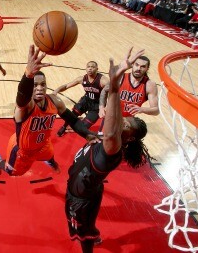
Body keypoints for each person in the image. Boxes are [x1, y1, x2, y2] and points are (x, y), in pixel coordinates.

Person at [65, 48, 151, 253]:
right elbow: (82, 129)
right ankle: (93, 232)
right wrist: (62, 110)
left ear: (128, 137)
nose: (123, 120)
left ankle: (90, 241)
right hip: (91, 190)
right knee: (89, 225)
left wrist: (115, 83)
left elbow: (113, 123)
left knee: (83, 234)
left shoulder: (112, 147)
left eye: (127, 124)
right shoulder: (105, 140)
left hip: (80, 198)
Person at [0, 45, 96, 176]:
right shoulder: (26, 105)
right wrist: (28, 75)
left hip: (43, 145)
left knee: (50, 155)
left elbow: (73, 120)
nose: (39, 88)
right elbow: (21, 96)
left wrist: (87, 134)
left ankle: (50, 162)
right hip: (22, 150)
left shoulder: (55, 102)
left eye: (43, 84)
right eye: (35, 85)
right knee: (11, 171)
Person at [52, 61, 109, 137]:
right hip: (86, 101)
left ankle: (78, 123)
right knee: (72, 114)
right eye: (88, 67)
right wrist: (56, 91)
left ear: (97, 69)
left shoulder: (103, 80)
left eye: (92, 67)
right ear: (86, 68)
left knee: (83, 128)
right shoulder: (82, 79)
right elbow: (66, 86)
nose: (90, 69)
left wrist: (106, 107)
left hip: (97, 105)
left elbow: (113, 93)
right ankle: (64, 126)